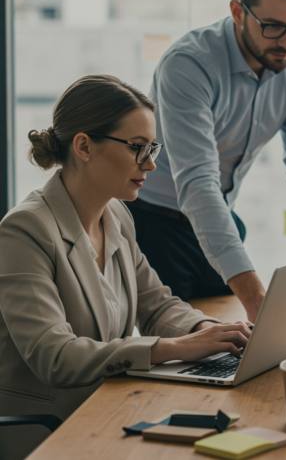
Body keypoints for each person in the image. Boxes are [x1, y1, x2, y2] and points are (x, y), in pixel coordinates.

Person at [0, 75, 252, 460]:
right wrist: (171, 348)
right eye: (137, 148)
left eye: (152, 148)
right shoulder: (24, 231)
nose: (151, 164)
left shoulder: (115, 215)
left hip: (108, 410)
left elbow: (157, 304)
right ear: (84, 146)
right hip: (50, 433)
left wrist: (208, 330)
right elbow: (56, 356)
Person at [128, 0, 286, 322]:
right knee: (181, 354)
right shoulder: (188, 64)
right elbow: (197, 182)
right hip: (152, 225)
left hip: (217, 219)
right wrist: (256, 299)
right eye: (272, 27)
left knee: (232, 346)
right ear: (238, 12)